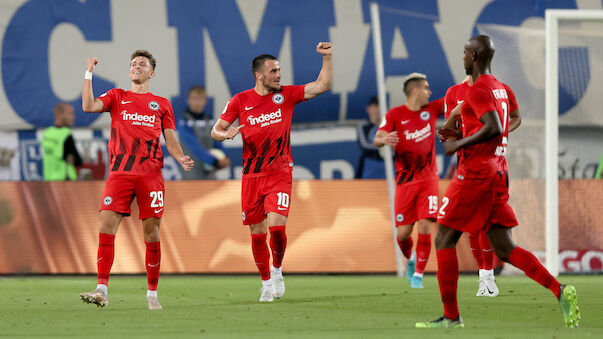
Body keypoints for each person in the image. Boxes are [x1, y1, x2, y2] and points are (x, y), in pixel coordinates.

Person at [416, 35, 580, 328]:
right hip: (497, 172)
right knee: (505, 248)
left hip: (476, 173)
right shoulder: (498, 89)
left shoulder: (478, 89)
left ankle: (451, 317)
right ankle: (560, 291)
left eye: (466, 53)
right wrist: (456, 126)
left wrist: (460, 144)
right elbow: (497, 123)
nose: (463, 58)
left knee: (444, 239)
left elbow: (492, 127)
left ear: (475, 55)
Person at [211, 42, 333, 302]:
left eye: (279, 70)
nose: (279, 75)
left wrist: (327, 58)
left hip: (279, 173)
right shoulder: (240, 100)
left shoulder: (286, 95)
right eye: (274, 71)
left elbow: (322, 85)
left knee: (277, 228)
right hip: (251, 176)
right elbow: (215, 130)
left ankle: (277, 270)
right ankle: (266, 281)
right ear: (259, 74)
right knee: (257, 233)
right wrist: (226, 134)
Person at [78, 50, 194, 310]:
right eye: (133, 63)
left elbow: (170, 138)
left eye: (142, 64)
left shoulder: (161, 104)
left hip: (150, 175)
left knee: (151, 233)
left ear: (151, 73)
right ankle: (101, 289)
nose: (137, 66)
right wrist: (89, 73)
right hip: (119, 174)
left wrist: (180, 157)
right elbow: (87, 106)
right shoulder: (117, 97)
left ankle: (152, 294)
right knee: (105, 225)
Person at [442, 75, 520, 297]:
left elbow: (515, 117)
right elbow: (449, 130)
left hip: (492, 164)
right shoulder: (453, 93)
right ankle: (486, 275)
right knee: (474, 226)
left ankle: (486, 275)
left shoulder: (502, 89)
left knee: (485, 223)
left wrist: (500, 134)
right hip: (466, 163)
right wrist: (457, 124)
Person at [373, 72, 444, 289]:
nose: (430, 93)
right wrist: (384, 139)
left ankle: (419, 276)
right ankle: (410, 259)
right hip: (405, 182)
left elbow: (456, 97)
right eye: (426, 88)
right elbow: (377, 139)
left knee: (424, 225)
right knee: (403, 234)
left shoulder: (431, 110)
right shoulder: (395, 114)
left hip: (429, 179)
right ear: (415, 91)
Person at [178, 85, 230, 179]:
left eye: (200, 98)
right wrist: (214, 161)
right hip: (191, 173)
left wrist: (224, 157)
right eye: (194, 98)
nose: (197, 102)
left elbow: (217, 141)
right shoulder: (184, 122)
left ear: (205, 100)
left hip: (210, 172)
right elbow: (194, 147)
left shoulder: (210, 121)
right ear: (189, 100)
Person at [41, 102, 82, 181]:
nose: (73, 117)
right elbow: (78, 161)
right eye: (70, 113)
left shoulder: (47, 133)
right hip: (65, 179)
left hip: (48, 178)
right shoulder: (66, 134)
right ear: (59, 115)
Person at [355, 95, 385, 179]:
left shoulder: (390, 126)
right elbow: (364, 146)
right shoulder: (364, 127)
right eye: (375, 106)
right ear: (368, 109)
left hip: (388, 167)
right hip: (370, 167)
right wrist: (383, 151)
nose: (378, 109)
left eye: (381, 106)